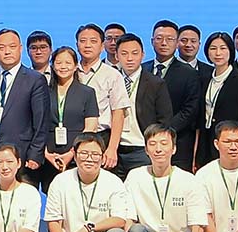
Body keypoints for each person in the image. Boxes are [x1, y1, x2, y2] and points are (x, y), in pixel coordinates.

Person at [122, 124, 207, 232]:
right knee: (136, 231)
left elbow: (198, 228)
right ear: (146, 149)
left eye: (164, 143)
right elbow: (128, 222)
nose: (158, 149)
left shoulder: (189, 181)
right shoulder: (135, 177)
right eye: (152, 144)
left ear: (174, 148)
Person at [0, 29, 48, 183]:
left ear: (20, 48)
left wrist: (35, 154)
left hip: (21, 156)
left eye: (12, 47)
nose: (7, 52)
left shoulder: (35, 80)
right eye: (1, 47)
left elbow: (41, 122)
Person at [112, 33, 172, 176]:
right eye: (124, 54)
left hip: (142, 149)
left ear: (143, 55)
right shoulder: (111, 80)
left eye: (135, 53)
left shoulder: (155, 83)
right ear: (116, 56)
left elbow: (164, 120)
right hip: (114, 149)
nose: (130, 58)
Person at [195, 32, 238, 168]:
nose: (218, 53)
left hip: (231, 143)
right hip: (207, 142)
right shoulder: (204, 78)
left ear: (231, 51)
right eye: (213, 48)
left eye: (223, 48)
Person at [148, 21, 204, 170]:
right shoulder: (143, 69)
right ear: (152, 41)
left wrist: (165, 131)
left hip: (178, 141)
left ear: (177, 42)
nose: (164, 43)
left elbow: (190, 109)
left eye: (170, 39)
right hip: (145, 140)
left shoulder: (189, 73)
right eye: (159, 38)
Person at [73, 24, 129, 168]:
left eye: (93, 41)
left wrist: (112, 148)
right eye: (83, 41)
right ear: (77, 44)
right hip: (72, 135)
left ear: (102, 46)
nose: (87, 45)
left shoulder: (112, 75)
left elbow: (118, 113)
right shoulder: (69, 72)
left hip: (101, 137)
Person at [41, 47, 101, 177]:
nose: (63, 66)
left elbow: (91, 127)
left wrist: (72, 153)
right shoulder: (43, 92)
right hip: (49, 155)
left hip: (76, 155)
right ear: (52, 66)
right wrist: (45, 153)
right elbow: (37, 124)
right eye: (58, 63)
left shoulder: (87, 92)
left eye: (68, 63)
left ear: (75, 66)